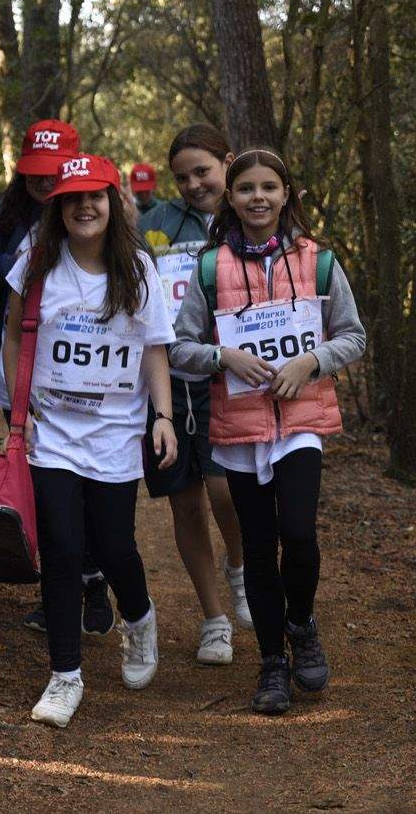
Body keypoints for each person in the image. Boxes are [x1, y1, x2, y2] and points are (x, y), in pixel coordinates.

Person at [169, 148, 366, 715]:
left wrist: (312, 362)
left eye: (269, 188)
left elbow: (353, 335)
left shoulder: (319, 262)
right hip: (238, 428)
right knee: (257, 549)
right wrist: (223, 356)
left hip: (300, 422)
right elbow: (180, 347)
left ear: (286, 195)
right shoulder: (209, 268)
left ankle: (301, 623)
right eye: (247, 188)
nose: (258, 198)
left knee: (298, 534)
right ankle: (272, 662)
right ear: (231, 198)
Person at [1, 154, 177, 728]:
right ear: (58, 207)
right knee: (61, 547)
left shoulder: (138, 269)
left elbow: (155, 349)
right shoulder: (36, 264)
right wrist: (17, 414)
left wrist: (164, 417)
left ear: (112, 202)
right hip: (52, 432)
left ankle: (140, 615)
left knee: (113, 546)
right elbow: (11, 333)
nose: (84, 206)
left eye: (95, 196)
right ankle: (64, 676)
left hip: (115, 434)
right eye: (73, 197)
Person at [0, 119, 114, 637]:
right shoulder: (3, 213)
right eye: (35, 174)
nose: (45, 184)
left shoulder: (93, 209)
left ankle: (94, 580)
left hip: (90, 374)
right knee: (45, 482)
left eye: (53, 173)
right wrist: (13, 264)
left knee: (86, 485)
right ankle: (58, 593)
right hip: (21, 370)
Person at [137, 125, 249, 667]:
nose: (193, 184)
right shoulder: (156, 223)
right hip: (172, 382)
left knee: (228, 493)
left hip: (234, 379)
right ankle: (214, 620)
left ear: (226, 164)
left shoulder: (249, 216)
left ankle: (240, 567)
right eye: (182, 176)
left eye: (202, 171)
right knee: (186, 503)